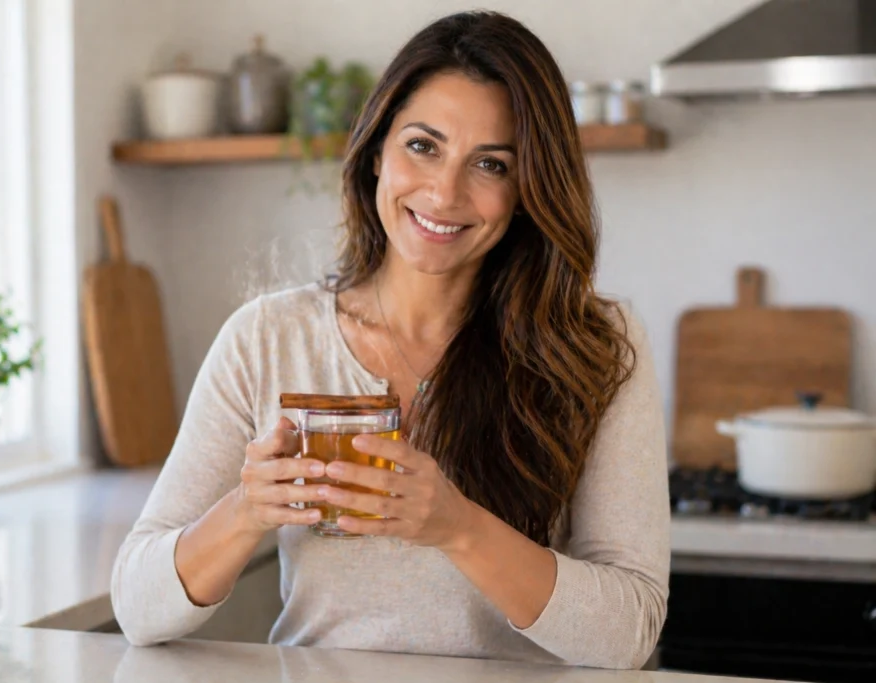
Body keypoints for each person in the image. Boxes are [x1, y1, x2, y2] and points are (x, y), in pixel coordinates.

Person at [111, 10, 669, 669]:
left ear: (527, 189)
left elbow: (629, 630)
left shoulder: (595, 347)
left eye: (490, 164)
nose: (444, 192)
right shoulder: (267, 340)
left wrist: (458, 528)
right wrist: (246, 510)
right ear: (378, 150)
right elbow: (138, 607)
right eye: (423, 146)